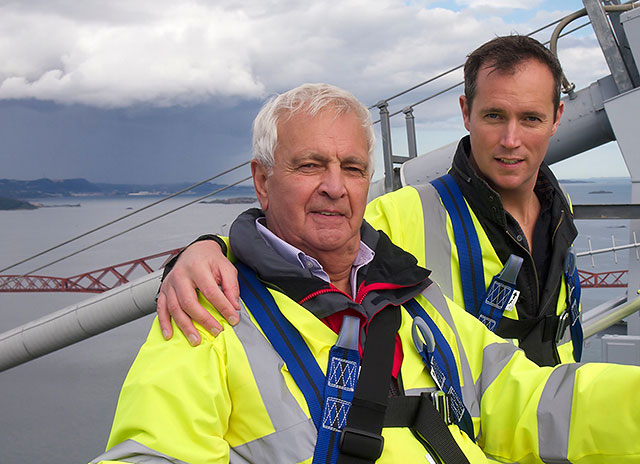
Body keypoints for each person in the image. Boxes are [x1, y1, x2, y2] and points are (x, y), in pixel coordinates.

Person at [93, 83, 640, 464]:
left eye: (352, 169)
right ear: (262, 181)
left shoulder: (415, 301)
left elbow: (526, 398)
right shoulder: (207, 313)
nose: (336, 186)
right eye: (310, 165)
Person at [156, 35, 580, 367]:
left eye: (531, 119)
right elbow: (297, 237)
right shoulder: (403, 214)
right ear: (466, 113)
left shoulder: (560, 212)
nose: (511, 140)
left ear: (557, 118)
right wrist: (203, 250)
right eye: (494, 116)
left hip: (547, 422)